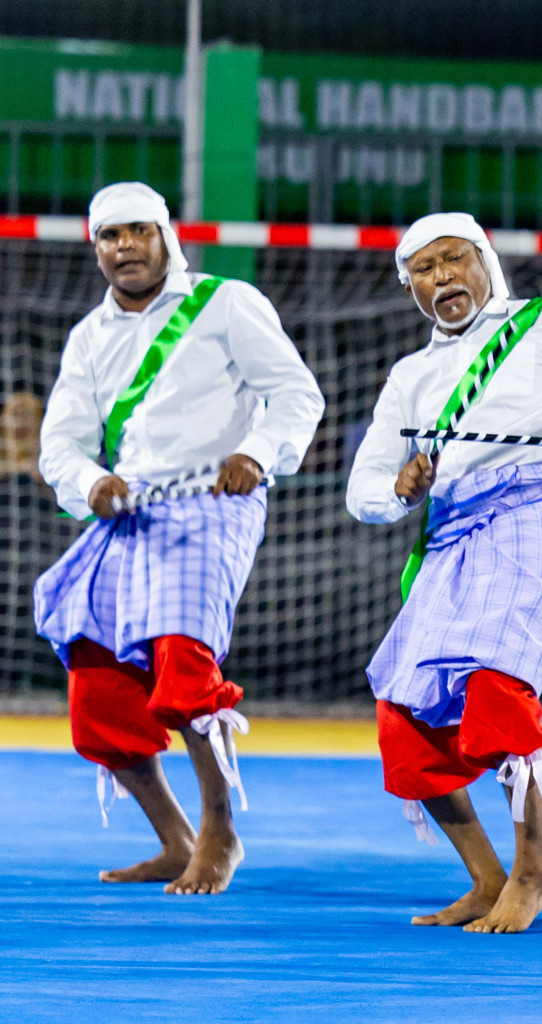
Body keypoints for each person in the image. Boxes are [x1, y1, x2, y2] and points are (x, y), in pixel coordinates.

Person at [346, 213, 542, 933]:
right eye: (423, 270)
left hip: (537, 509)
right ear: (410, 289)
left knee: (496, 687)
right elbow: (362, 486)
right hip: (451, 529)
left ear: (486, 260)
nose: (443, 277)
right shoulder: (411, 377)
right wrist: (396, 490)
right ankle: (486, 878)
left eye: (454, 259)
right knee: (402, 714)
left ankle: (532, 873)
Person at [33, 181, 324, 895]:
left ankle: (221, 833)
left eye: (138, 231)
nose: (124, 247)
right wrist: (90, 484)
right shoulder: (89, 338)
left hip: (215, 503)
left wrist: (257, 454)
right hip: (127, 515)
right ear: (95, 247)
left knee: (184, 665)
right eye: (110, 236)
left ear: (167, 235)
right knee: (97, 689)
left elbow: (296, 394)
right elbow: (61, 443)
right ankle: (174, 839)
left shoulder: (226, 302)